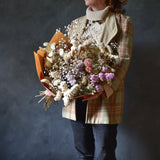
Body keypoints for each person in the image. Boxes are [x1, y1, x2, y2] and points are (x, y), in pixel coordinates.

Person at [62, 0, 133, 159]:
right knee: (83, 153)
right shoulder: (76, 24)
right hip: (76, 98)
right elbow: (66, 61)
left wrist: (104, 90)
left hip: (105, 99)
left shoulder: (123, 22)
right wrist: (55, 85)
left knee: (104, 153)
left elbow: (123, 62)